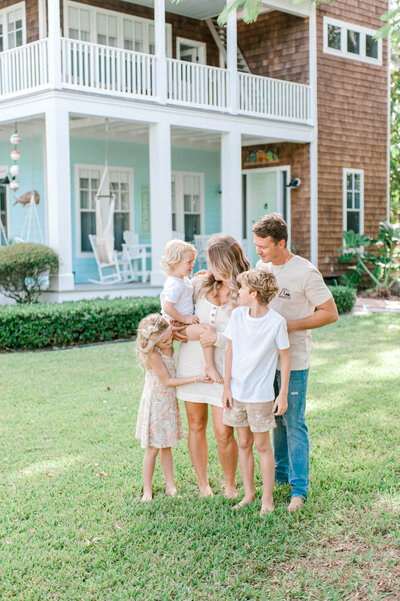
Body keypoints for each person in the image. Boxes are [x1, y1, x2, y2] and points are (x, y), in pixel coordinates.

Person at [253, 213, 338, 512]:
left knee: (293, 422)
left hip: (295, 359)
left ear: (281, 243)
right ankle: (280, 476)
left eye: (263, 246)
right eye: (256, 245)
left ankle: (299, 490)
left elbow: (330, 313)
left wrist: (287, 326)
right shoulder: (261, 267)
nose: (258, 251)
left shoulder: (305, 272)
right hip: (265, 361)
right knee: (275, 419)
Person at [176, 235, 250, 498]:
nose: (209, 266)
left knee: (223, 431)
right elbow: (178, 323)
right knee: (196, 425)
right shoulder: (197, 285)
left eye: (212, 261)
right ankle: (203, 484)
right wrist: (191, 333)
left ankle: (230, 485)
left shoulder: (244, 292)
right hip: (192, 365)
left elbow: (246, 337)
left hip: (224, 370)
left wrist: (216, 338)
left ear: (226, 262)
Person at [222, 269, 291, 514]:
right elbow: (230, 351)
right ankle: (249, 494)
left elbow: (285, 357)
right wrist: (226, 386)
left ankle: (267, 500)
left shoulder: (276, 322)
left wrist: (282, 394)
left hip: (260, 396)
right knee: (243, 442)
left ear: (253, 293)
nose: (238, 292)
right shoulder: (238, 316)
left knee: (262, 445)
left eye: (241, 288)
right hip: (237, 392)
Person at [135, 313, 210, 502]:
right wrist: (196, 378)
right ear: (154, 341)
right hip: (156, 404)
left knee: (167, 445)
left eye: (170, 337)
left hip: (168, 403)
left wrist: (177, 327)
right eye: (167, 339)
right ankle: (147, 489)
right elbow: (168, 380)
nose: (171, 341)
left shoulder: (165, 339)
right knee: (153, 448)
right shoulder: (153, 354)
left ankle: (171, 485)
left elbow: (176, 333)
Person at [160, 239, 223, 383]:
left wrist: (204, 275)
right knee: (207, 330)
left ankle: (209, 366)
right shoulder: (174, 284)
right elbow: (167, 308)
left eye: (193, 261)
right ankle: (210, 367)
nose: (192, 264)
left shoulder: (183, 279)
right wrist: (185, 319)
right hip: (177, 324)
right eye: (189, 262)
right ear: (174, 262)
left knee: (208, 330)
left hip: (182, 323)